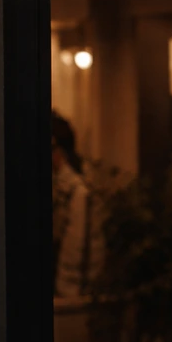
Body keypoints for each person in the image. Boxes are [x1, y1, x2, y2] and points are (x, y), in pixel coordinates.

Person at [51, 111, 99, 297]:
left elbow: (74, 251)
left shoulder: (77, 191)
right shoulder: (64, 187)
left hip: (71, 294)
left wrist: (66, 293)